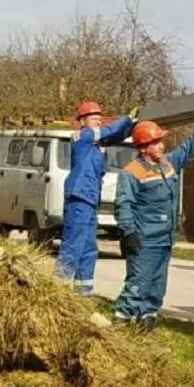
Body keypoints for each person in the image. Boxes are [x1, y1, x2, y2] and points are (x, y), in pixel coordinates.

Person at [112, 117, 194, 330]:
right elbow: (123, 205)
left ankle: (146, 324)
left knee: (157, 287)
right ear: (143, 148)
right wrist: (129, 233)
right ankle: (119, 326)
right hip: (144, 241)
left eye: (161, 141)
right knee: (137, 285)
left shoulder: (168, 163)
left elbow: (190, 146)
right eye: (157, 142)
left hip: (164, 239)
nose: (162, 145)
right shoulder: (131, 172)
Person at [58, 100, 137, 296]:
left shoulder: (98, 143)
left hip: (90, 199)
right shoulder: (82, 136)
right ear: (82, 121)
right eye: (94, 118)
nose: (98, 122)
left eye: (99, 119)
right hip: (79, 196)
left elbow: (117, 134)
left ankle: (84, 291)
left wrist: (134, 125)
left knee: (89, 247)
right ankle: (56, 288)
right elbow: (110, 130)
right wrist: (127, 118)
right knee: (73, 243)